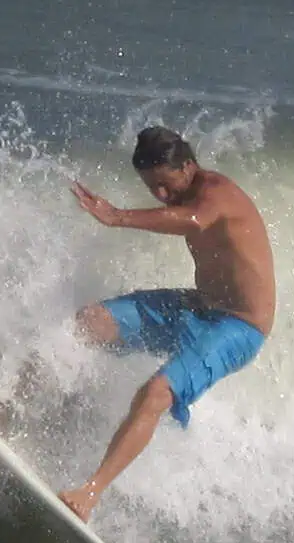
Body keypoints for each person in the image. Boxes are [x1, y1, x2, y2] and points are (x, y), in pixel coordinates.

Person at [44, 125, 275, 522]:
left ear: (188, 166)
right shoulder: (184, 191)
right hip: (197, 308)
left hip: (238, 328)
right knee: (90, 322)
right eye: (152, 187)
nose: (161, 195)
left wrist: (117, 217)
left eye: (166, 185)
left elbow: (194, 220)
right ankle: (13, 406)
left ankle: (89, 493)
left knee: (156, 392)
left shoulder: (216, 194)